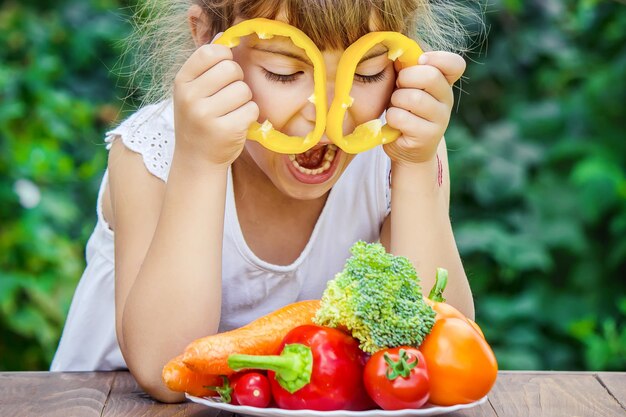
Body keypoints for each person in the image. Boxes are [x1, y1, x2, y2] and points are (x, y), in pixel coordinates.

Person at [51, 0, 482, 403]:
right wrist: (201, 161)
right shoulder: (151, 155)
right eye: (283, 71)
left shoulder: (401, 152)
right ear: (207, 41)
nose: (326, 110)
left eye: (367, 73)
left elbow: (438, 351)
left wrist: (416, 165)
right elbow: (167, 369)